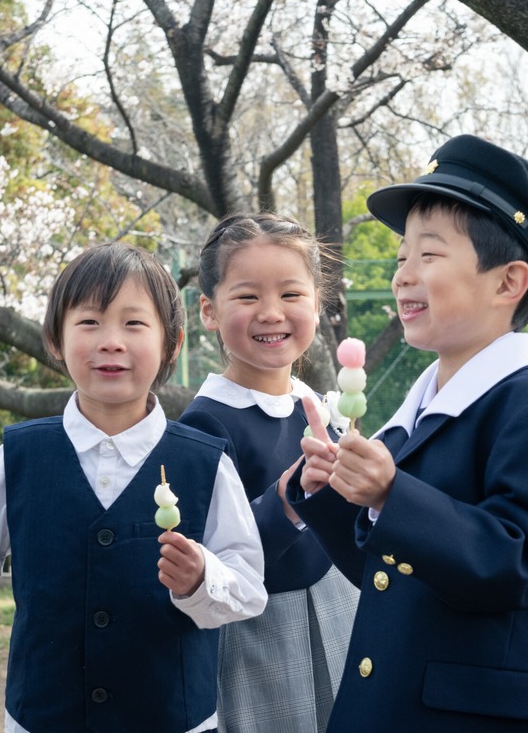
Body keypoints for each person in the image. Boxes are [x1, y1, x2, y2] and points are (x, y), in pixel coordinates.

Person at [291, 134, 528, 732]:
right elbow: (385, 573)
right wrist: (330, 492)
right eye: (399, 258)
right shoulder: (417, 417)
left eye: (429, 256)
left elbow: (520, 560)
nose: (402, 275)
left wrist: (392, 495)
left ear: (507, 282)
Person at [0, 242, 267, 733]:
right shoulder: (22, 455)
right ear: (55, 339)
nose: (111, 341)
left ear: (171, 343)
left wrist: (202, 579)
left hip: (172, 719)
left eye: (134, 324)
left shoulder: (205, 461)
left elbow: (248, 586)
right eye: (89, 323)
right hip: (43, 719)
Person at [179, 213, 359, 733]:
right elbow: (208, 557)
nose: (271, 313)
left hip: (341, 603)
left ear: (317, 304)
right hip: (259, 629)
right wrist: (285, 497)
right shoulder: (205, 421)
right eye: (247, 296)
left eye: (291, 294)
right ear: (209, 311)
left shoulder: (320, 406)